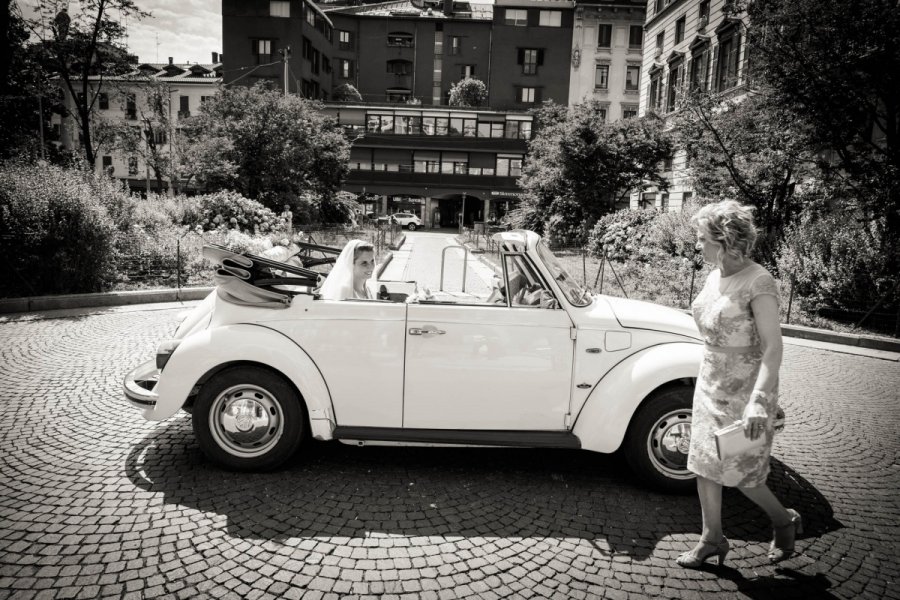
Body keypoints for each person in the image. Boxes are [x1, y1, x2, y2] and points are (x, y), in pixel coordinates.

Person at [678, 199, 801, 568]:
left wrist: (761, 400)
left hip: (746, 390)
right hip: (710, 381)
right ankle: (712, 538)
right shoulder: (715, 274)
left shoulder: (759, 280)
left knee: (743, 473)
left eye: (702, 239)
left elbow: (773, 346)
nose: (698, 245)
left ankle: (784, 520)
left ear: (724, 239)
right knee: (703, 463)